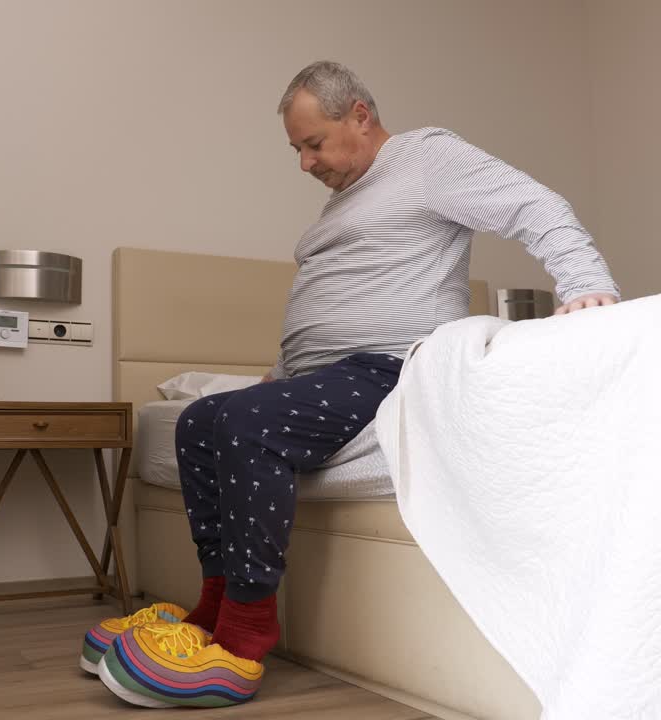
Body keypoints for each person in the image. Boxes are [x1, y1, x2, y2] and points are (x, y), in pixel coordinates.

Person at [87, 60, 620, 708]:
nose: (304, 163)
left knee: (245, 423)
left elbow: (534, 204)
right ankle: (214, 605)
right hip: (323, 374)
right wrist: (283, 374)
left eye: (313, 144)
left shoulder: (425, 159)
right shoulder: (345, 202)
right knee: (199, 419)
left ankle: (245, 634)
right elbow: (331, 295)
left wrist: (586, 285)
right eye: (297, 149)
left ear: (360, 116)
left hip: (389, 367)